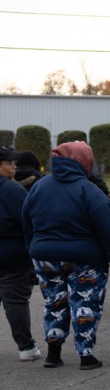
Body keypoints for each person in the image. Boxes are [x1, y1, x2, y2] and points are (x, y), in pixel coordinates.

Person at [21, 141, 110, 369]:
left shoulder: (39, 187)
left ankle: (53, 354)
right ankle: (86, 356)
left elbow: (26, 222)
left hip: (44, 255)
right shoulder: (89, 190)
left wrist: (33, 249)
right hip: (85, 259)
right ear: (83, 161)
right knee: (85, 303)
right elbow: (107, 228)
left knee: (54, 303)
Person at [0, 147, 39, 361]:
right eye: (9, 163)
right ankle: (26, 347)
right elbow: (29, 221)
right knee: (15, 302)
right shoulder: (12, 190)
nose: (14, 167)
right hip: (12, 256)